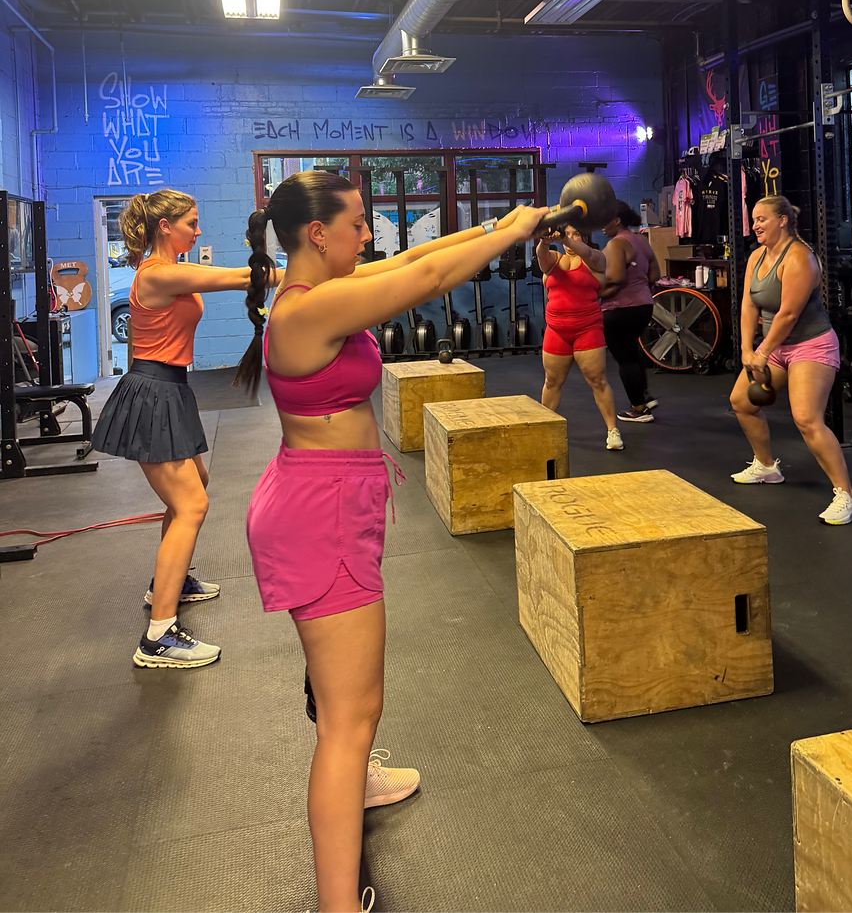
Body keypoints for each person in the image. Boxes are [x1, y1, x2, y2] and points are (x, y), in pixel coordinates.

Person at [239, 170, 547, 913]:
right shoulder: (312, 307)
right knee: (351, 718)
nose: (369, 235)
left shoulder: (325, 286)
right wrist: (512, 235)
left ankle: (359, 783)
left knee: (344, 701)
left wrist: (495, 223)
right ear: (319, 232)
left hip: (330, 502)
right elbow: (434, 277)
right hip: (321, 517)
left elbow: (420, 257)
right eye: (358, 223)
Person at [92, 189, 260, 667]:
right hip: (154, 391)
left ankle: (171, 578)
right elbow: (238, 277)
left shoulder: (167, 270)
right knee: (191, 504)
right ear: (165, 226)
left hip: (171, 388)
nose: (199, 230)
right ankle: (157, 637)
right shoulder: (160, 272)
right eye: (192, 221)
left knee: (193, 488)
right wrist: (313, 272)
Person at [729, 195, 852, 525]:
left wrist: (761, 352)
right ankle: (766, 466)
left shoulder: (800, 258)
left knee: (807, 418)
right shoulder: (757, 257)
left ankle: (847, 495)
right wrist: (747, 348)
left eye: (762, 219)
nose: (755, 225)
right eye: (754, 219)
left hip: (811, 346)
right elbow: (748, 305)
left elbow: (788, 314)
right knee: (741, 402)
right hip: (775, 348)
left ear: (783, 220)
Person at [535, 225, 622, 450]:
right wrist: (545, 240)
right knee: (552, 382)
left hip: (587, 330)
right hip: (556, 331)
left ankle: (613, 431)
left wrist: (567, 239)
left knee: (598, 381)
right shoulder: (553, 259)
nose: (570, 238)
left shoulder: (596, 260)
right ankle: (543, 428)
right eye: (567, 234)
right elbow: (541, 257)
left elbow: (588, 254)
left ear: (583, 237)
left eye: (576, 234)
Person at [598, 200, 661, 422]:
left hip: (619, 309)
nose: (601, 226)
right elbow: (655, 275)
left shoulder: (616, 244)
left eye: (605, 221)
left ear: (617, 221)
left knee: (625, 359)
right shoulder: (641, 241)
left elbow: (615, 277)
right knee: (633, 352)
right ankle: (644, 395)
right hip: (643, 306)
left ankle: (639, 409)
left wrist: (593, 292)